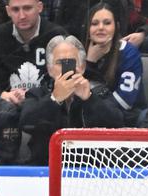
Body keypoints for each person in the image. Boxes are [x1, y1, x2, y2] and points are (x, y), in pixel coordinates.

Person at [19, 35, 124, 165]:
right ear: (50, 69)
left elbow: (117, 123)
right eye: (59, 63)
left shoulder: (99, 91)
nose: (66, 68)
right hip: (46, 168)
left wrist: (89, 98)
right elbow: (26, 123)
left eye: (71, 62)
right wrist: (54, 99)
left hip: (90, 170)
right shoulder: (37, 94)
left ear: (82, 67)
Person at [0, 0, 66, 107]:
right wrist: (3, 95)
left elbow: (67, 80)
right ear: (8, 11)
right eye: (15, 9)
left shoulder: (57, 36)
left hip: (48, 108)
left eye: (27, 8)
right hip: (7, 108)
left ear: (40, 7)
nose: (22, 16)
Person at [85, 2, 145, 125]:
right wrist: (89, 62)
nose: (100, 27)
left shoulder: (129, 53)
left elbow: (123, 103)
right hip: (88, 120)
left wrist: (90, 102)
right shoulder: (80, 52)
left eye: (107, 23)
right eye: (95, 23)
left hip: (123, 121)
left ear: (116, 27)